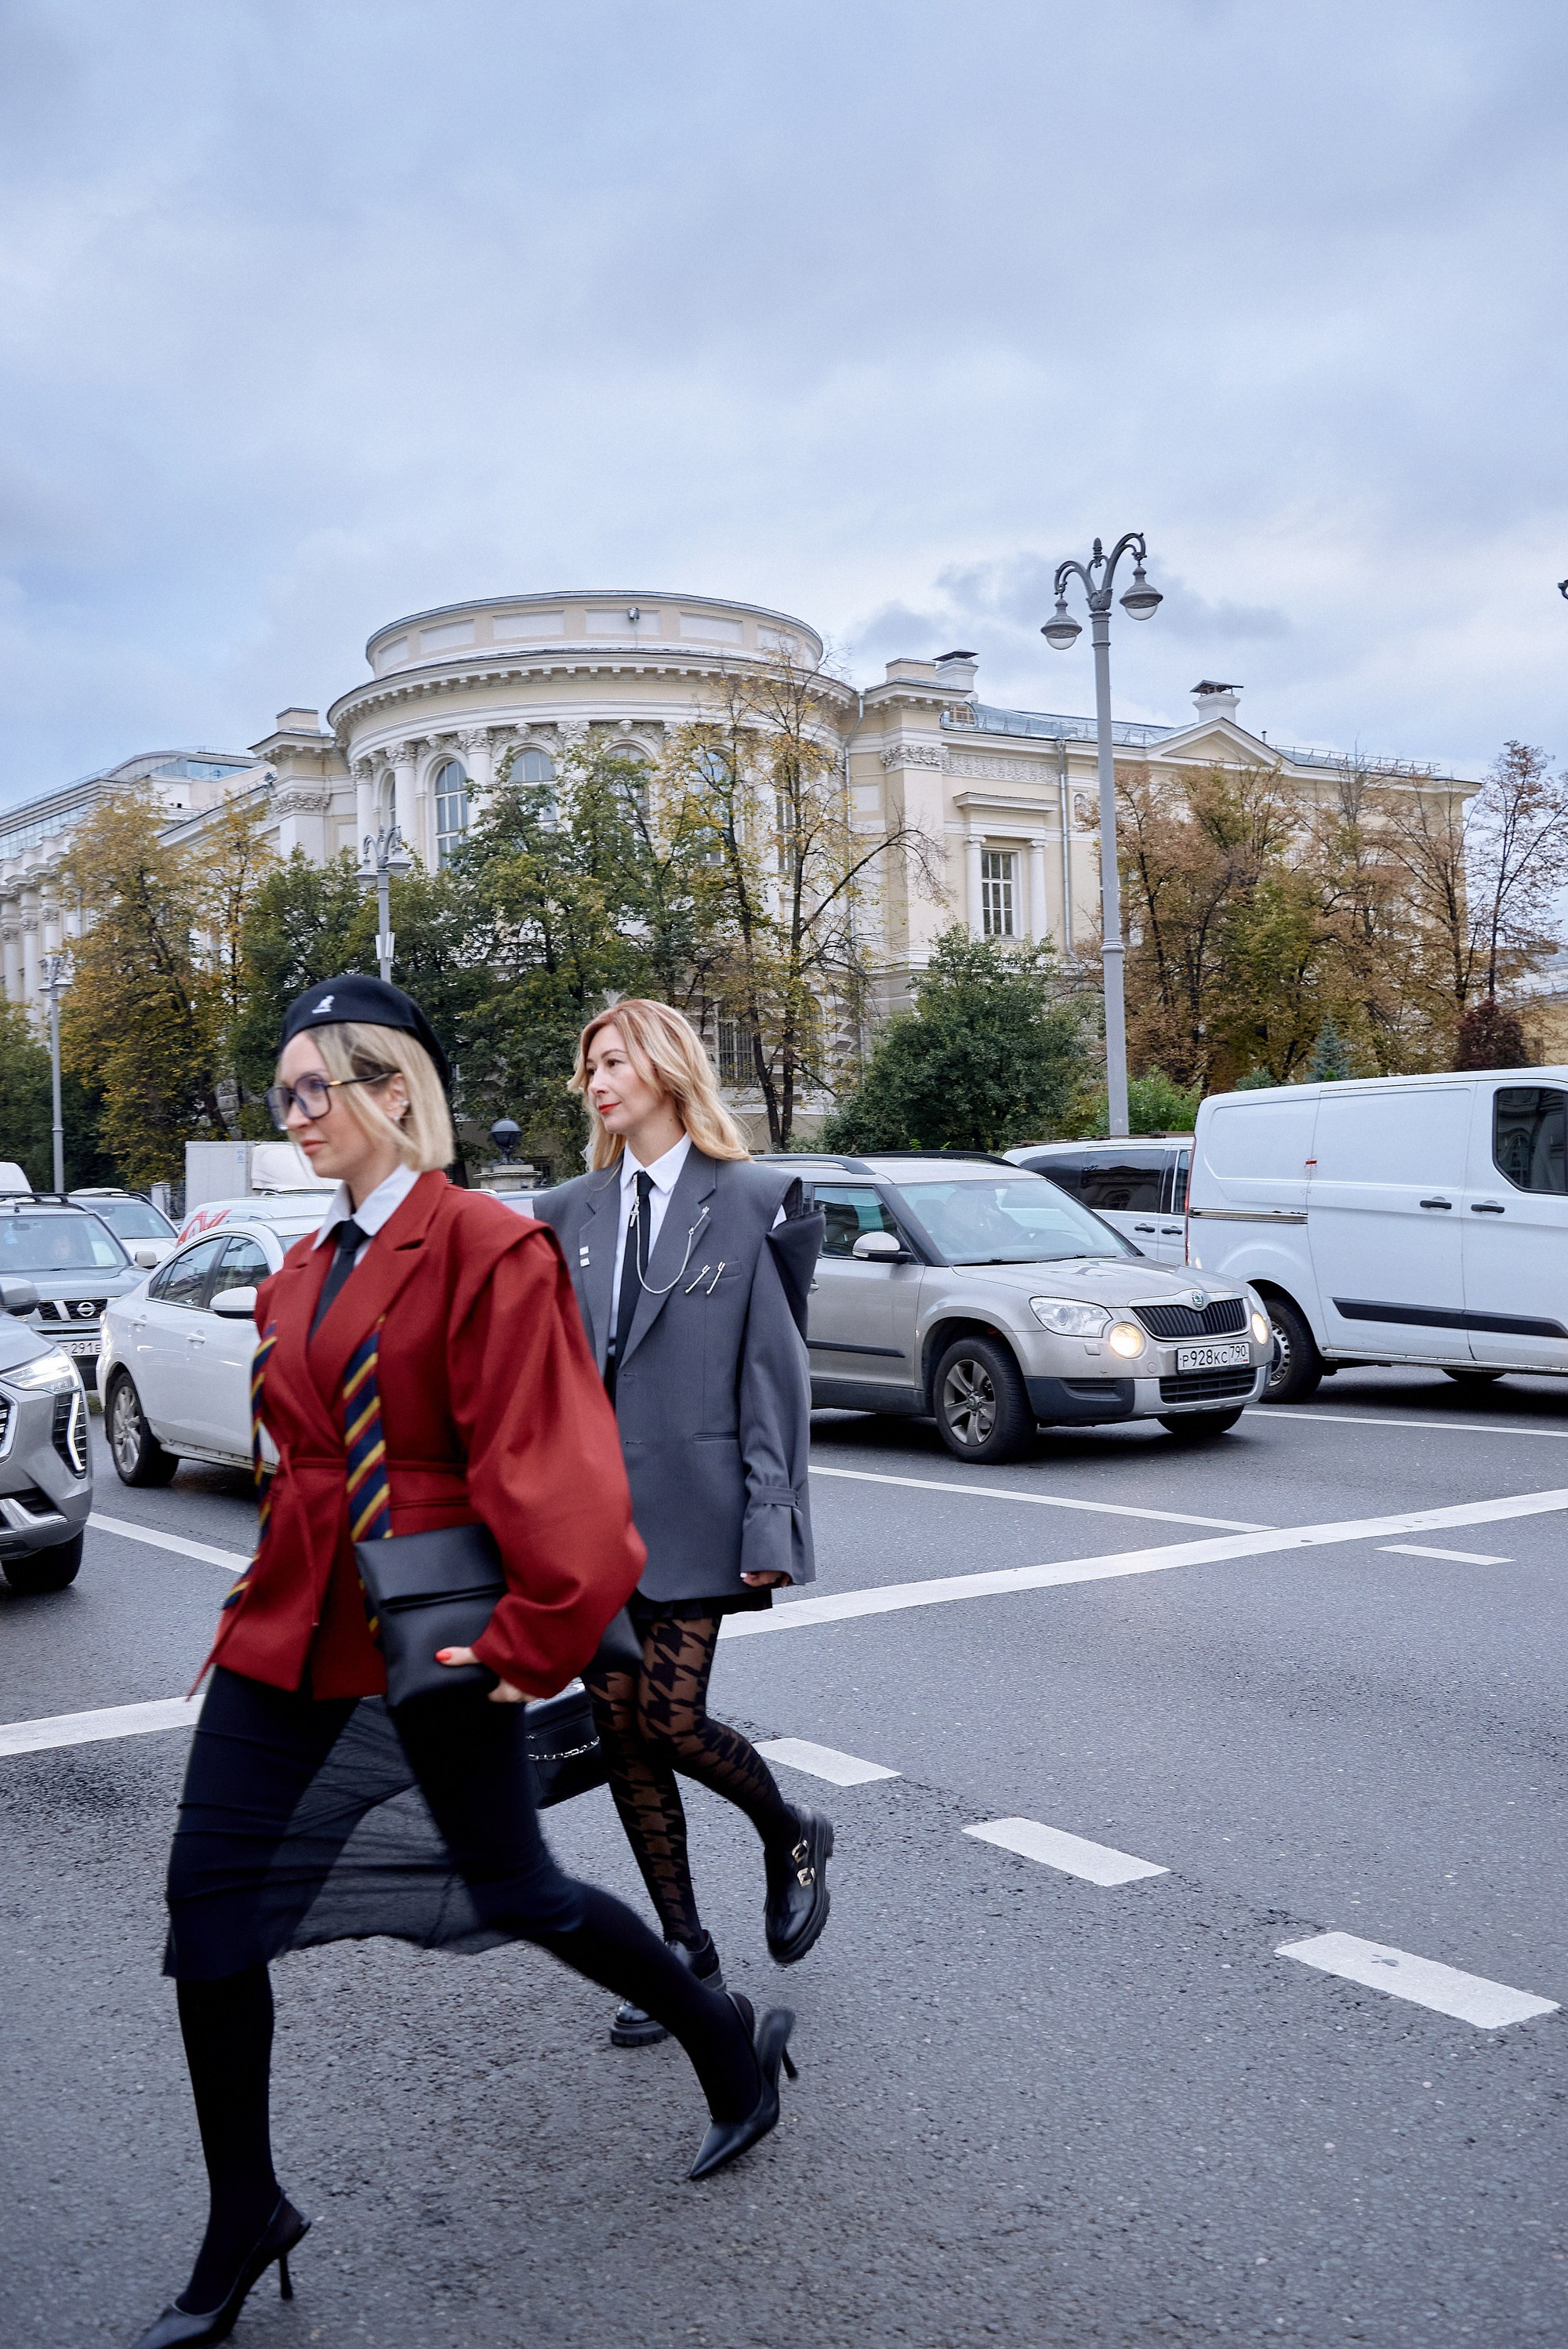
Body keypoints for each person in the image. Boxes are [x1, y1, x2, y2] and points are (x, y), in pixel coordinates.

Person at [131, 976, 794, 2349]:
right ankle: (245, 2210)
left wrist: (534, 1639)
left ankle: (720, 2032)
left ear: (395, 1090)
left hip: (437, 1632)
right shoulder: (307, 1268)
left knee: (521, 1890)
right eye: (285, 1094)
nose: (296, 1113)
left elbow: (555, 1464)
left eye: (318, 1086)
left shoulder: (488, 1246)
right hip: (289, 1625)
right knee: (206, 1907)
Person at [526, 1000, 829, 2052]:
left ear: (664, 1066)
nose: (597, 1081)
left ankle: (787, 1829)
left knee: (668, 1718)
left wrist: (773, 1523)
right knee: (621, 1735)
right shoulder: (567, 1212)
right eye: (589, 1065)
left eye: (612, 1060)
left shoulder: (754, 1201)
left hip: (702, 1517)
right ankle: (685, 1957)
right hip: (593, 1528)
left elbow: (773, 1380)